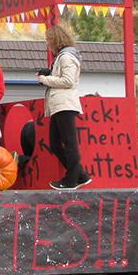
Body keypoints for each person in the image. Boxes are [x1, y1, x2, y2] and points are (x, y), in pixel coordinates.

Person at [38, 26, 92, 190]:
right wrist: (49, 73)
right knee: (55, 144)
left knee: (69, 144)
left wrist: (45, 80)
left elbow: (68, 81)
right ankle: (80, 176)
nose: (48, 44)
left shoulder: (66, 56)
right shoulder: (62, 57)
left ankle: (71, 180)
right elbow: (62, 77)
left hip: (65, 104)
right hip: (58, 105)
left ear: (56, 40)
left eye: (49, 41)